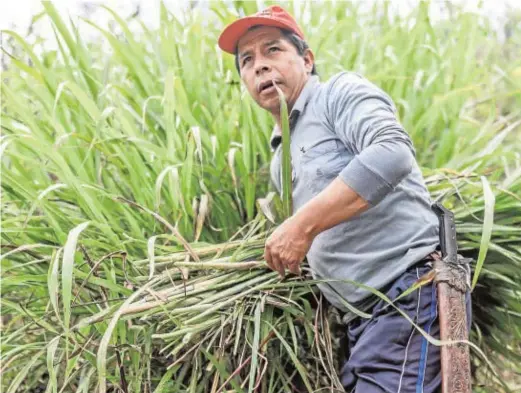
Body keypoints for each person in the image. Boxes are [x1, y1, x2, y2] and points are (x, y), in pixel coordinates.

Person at [218, 5, 470, 393]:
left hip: (407, 295)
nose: (261, 66)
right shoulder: (279, 161)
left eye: (273, 50)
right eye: (247, 60)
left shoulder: (338, 94)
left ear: (306, 59)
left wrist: (301, 227)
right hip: (362, 322)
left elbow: (392, 152)